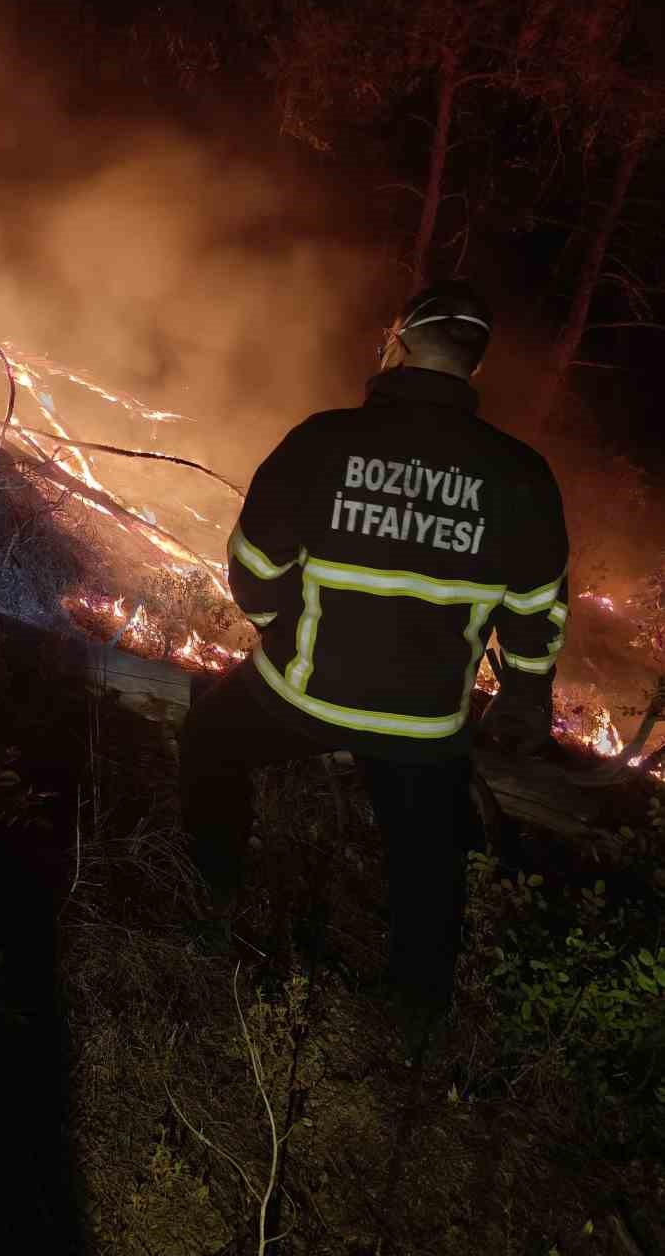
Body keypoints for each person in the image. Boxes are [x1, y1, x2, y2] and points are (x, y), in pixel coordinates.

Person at [180, 279, 569, 1059]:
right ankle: (416, 1031)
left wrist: (284, 633)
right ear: (474, 365)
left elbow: (254, 568)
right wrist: (525, 697)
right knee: (429, 864)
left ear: (399, 342)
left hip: (303, 695)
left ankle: (211, 901)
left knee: (207, 740)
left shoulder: (324, 441)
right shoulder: (522, 476)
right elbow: (537, 614)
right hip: (424, 722)